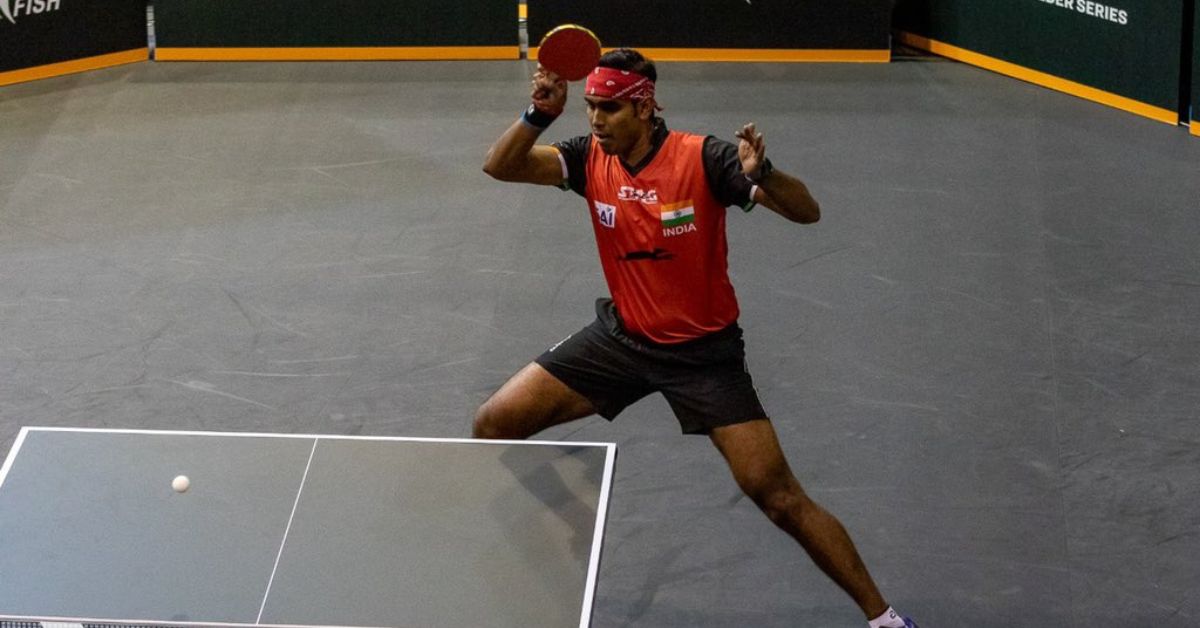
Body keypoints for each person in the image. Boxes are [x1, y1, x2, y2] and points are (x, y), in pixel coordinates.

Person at [478, 48, 918, 628]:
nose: (595, 120)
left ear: (642, 106)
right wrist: (538, 115)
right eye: (589, 108)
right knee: (493, 423)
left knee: (778, 496)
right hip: (622, 340)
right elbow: (501, 166)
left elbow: (807, 212)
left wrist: (765, 176)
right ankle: (568, 527)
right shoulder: (589, 158)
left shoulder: (705, 158)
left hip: (703, 358)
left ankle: (885, 619)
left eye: (607, 108)